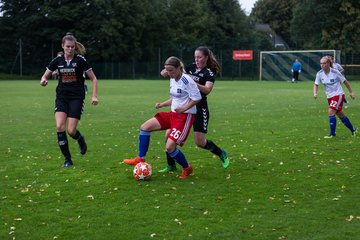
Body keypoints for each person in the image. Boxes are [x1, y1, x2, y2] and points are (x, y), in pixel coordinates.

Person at [123, 56, 201, 178]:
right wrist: (162, 104)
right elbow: (176, 98)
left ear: (179, 68)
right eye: (167, 70)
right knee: (145, 127)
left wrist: (184, 109)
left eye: (171, 70)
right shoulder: (173, 79)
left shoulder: (187, 80)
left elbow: (197, 98)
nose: (169, 73)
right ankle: (140, 158)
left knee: (169, 147)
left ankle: (187, 168)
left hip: (184, 117)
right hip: (172, 115)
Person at [159, 46, 230, 172]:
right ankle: (171, 165)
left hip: (199, 107)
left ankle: (221, 153)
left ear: (206, 57)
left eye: (199, 57)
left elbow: (207, 90)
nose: (196, 59)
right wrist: (166, 71)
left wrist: (192, 82)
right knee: (168, 136)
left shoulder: (209, 72)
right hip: (183, 108)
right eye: (195, 57)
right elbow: (177, 67)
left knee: (200, 142)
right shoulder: (191, 67)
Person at [40, 33, 99, 167]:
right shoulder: (57, 61)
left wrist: (94, 96)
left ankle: (79, 138)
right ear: (62, 46)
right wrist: (43, 80)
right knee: (60, 126)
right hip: (61, 97)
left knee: (71, 131)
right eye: (67, 47)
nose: (70, 49)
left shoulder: (80, 60)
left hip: (76, 98)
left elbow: (94, 78)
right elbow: (44, 76)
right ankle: (68, 159)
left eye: (72, 47)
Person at [313, 56, 356, 138]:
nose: (322, 65)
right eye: (321, 63)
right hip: (329, 97)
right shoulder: (319, 73)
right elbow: (316, 84)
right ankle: (353, 130)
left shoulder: (335, 72)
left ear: (329, 63)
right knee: (340, 115)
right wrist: (315, 93)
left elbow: (345, 81)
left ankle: (332, 134)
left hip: (338, 95)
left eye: (324, 63)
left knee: (331, 111)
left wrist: (351, 92)